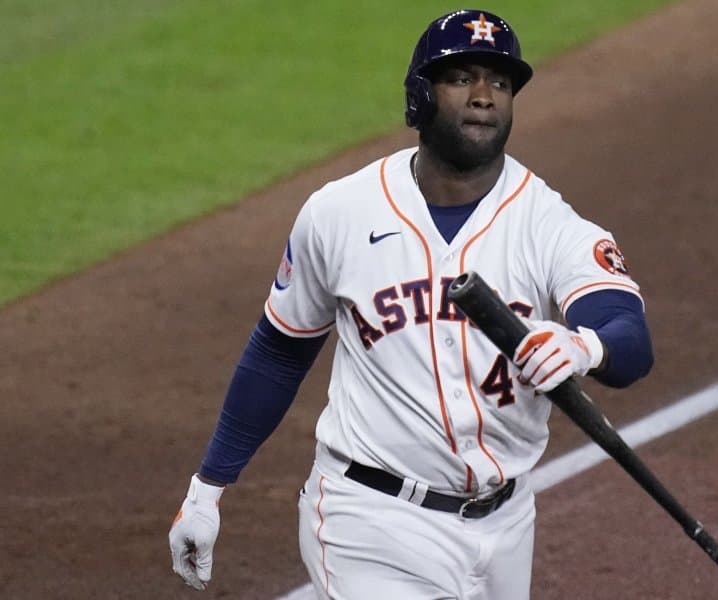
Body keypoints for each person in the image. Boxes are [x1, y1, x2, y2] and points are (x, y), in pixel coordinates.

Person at [169, 9, 653, 599]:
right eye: (462, 79)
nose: (483, 98)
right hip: (370, 521)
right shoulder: (340, 213)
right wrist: (207, 490)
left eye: (499, 83)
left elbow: (629, 339)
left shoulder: (548, 223)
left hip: (506, 526)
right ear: (419, 96)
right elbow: (279, 351)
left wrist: (585, 345)